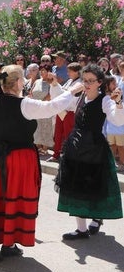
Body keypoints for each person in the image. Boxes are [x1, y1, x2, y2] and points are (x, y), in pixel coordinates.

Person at [0, 65, 82, 262]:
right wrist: (71, 91)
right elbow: (52, 107)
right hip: (18, 159)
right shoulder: (25, 105)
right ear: (18, 82)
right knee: (14, 199)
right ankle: (8, 243)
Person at [57, 64, 124, 240]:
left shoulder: (105, 100)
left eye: (90, 81)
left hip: (94, 149)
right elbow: (57, 103)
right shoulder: (78, 97)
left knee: (94, 186)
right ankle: (81, 229)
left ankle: (97, 217)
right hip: (76, 147)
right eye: (84, 80)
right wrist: (70, 90)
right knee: (76, 186)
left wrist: (118, 103)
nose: (86, 84)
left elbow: (117, 120)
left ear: (99, 82)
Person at [50, 62, 82, 162]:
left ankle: (69, 156)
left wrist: (56, 85)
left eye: (70, 71)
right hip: (61, 110)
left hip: (70, 112)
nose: (68, 73)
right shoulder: (69, 81)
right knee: (58, 133)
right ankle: (56, 154)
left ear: (77, 72)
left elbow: (70, 96)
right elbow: (62, 94)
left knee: (68, 135)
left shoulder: (80, 83)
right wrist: (55, 83)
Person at [30, 64, 54, 156]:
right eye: (41, 70)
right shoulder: (37, 81)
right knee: (36, 127)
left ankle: (45, 148)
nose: (42, 72)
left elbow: (50, 95)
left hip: (45, 107)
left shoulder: (50, 82)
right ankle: (38, 147)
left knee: (45, 127)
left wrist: (41, 103)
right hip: (36, 107)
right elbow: (31, 92)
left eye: (45, 70)